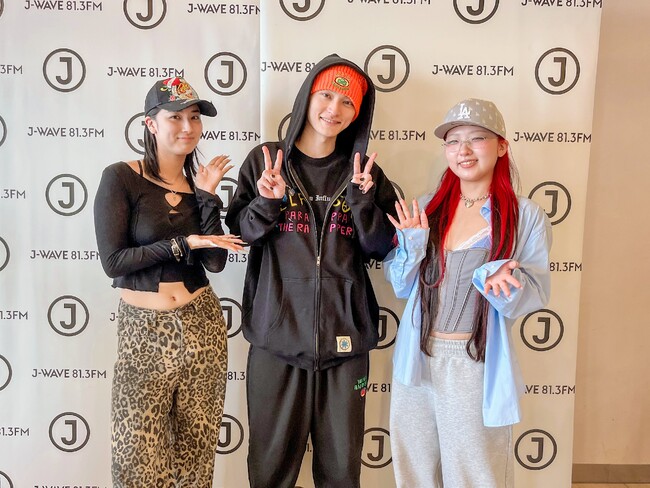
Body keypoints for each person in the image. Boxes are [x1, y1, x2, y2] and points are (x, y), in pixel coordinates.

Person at [225, 54, 397, 487]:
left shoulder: (365, 173)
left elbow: (382, 247)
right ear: (307, 97)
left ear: (358, 114)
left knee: (341, 473)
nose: (334, 109)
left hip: (345, 345)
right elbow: (241, 234)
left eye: (347, 102)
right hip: (276, 341)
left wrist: (363, 203)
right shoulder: (266, 161)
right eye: (326, 95)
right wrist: (267, 202)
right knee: (269, 472)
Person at [384, 98, 552, 487]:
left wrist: (503, 283)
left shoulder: (524, 215)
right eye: (453, 140)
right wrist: (412, 246)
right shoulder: (427, 207)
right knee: (414, 469)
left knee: (475, 474)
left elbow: (534, 292)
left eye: (476, 138)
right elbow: (402, 285)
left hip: (473, 361)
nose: (463, 150)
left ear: (501, 146)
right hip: (416, 357)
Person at [93, 77, 245, 487]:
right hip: (143, 332)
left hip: (202, 325)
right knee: (136, 458)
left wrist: (208, 197)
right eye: (175, 117)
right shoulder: (121, 177)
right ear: (151, 124)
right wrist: (182, 243)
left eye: (194, 117)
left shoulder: (198, 188)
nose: (187, 127)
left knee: (196, 453)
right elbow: (114, 261)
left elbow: (214, 261)